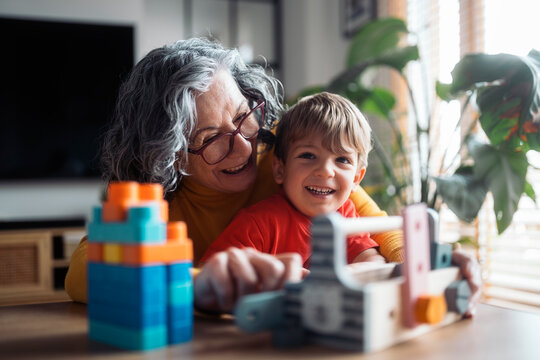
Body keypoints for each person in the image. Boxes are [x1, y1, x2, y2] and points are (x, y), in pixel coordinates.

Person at [64, 37, 479, 315]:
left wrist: (429, 263)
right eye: (212, 139)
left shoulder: (287, 152)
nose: (246, 147)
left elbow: (372, 221)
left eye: (244, 116)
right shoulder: (158, 203)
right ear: (169, 154)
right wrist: (200, 283)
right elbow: (83, 271)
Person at [201, 92, 385, 266]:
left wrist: (338, 278)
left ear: (356, 178)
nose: (325, 171)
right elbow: (210, 274)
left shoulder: (345, 214)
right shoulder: (257, 224)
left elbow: (372, 261)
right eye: (308, 156)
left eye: (342, 160)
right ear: (280, 170)